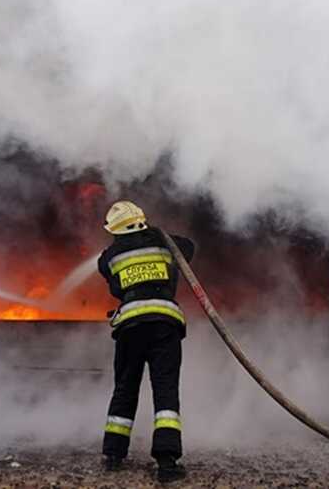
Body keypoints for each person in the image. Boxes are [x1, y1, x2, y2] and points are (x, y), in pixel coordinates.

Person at [97, 200, 194, 483]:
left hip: (130, 326)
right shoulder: (164, 244)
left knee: (125, 386)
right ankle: (167, 461)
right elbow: (188, 248)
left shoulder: (110, 255)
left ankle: (113, 455)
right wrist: (158, 235)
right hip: (164, 324)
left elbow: (110, 278)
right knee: (165, 390)